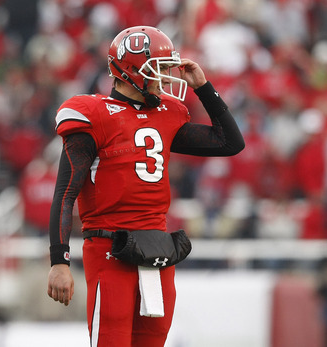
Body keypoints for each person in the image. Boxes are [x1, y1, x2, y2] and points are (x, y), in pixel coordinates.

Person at [46, 26, 245, 346]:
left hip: (156, 250)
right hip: (109, 250)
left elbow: (229, 142)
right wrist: (59, 260)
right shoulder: (93, 114)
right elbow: (65, 193)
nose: (165, 79)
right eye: (159, 70)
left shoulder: (167, 113)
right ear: (132, 70)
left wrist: (205, 88)